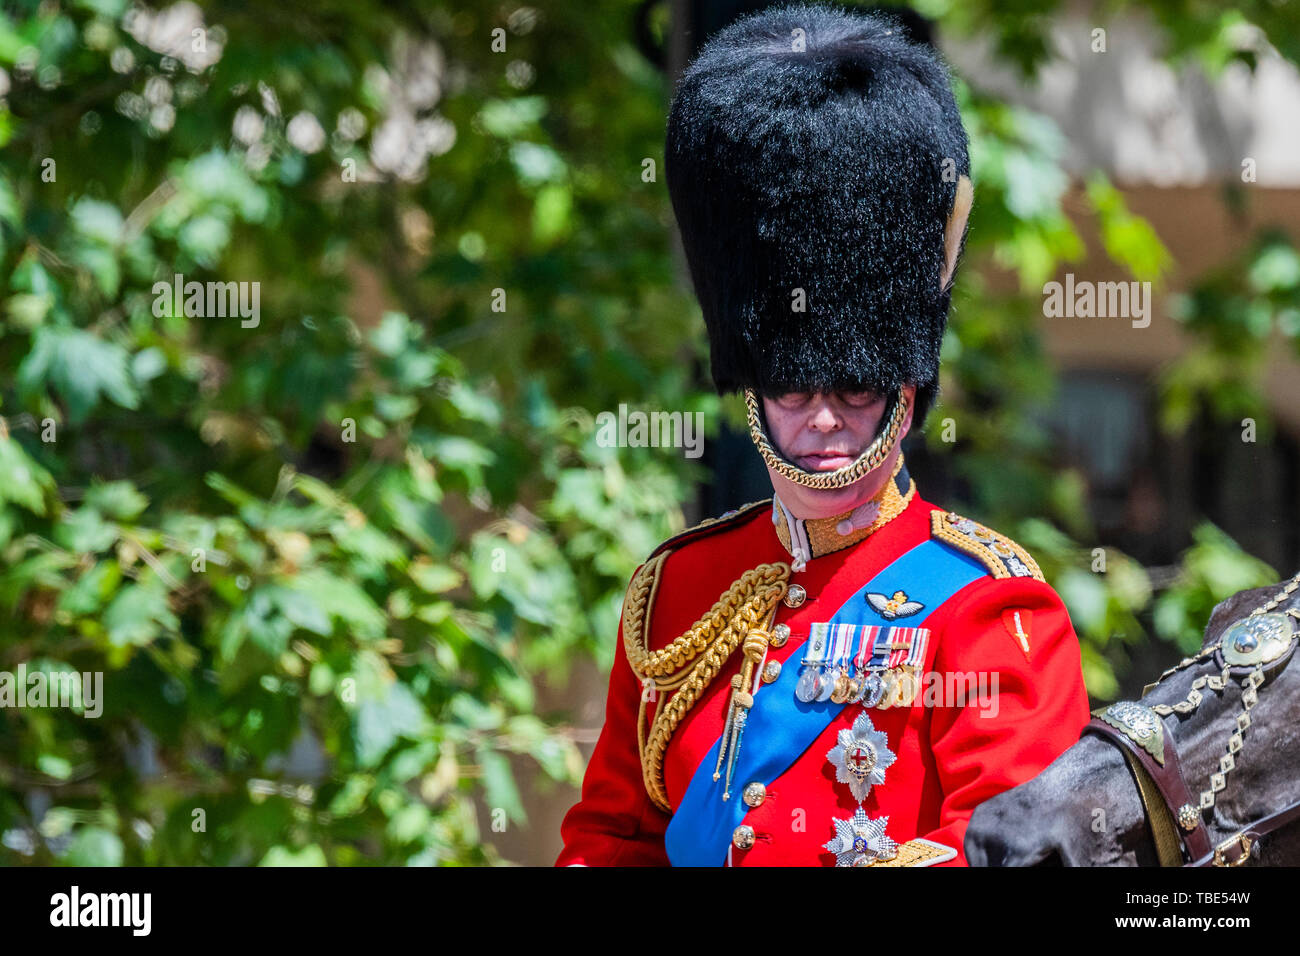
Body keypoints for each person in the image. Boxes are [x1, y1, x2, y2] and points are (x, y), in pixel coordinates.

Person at [555, 3, 1090, 867]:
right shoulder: (678, 591)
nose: (825, 420)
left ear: (907, 391)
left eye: (855, 384)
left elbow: (1014, 853)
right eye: (794, 386)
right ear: (753, 390)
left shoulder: (990, 610)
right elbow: (610, 838)